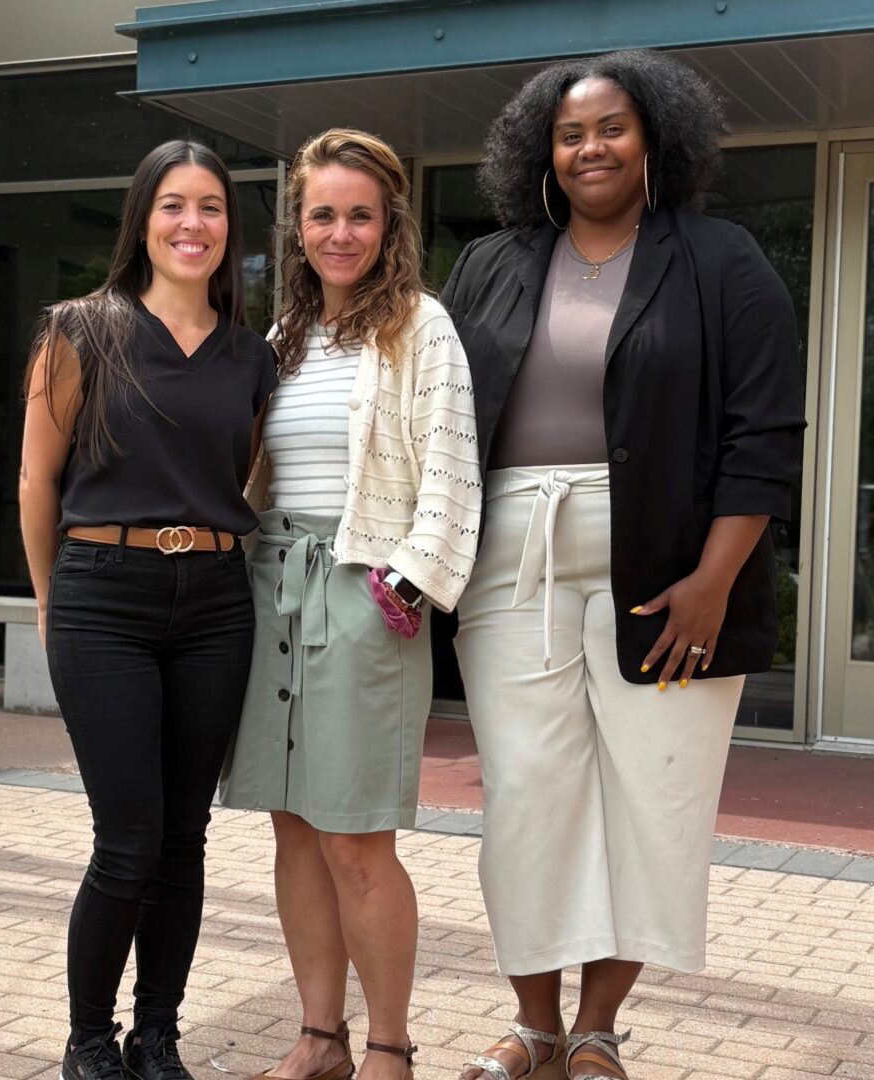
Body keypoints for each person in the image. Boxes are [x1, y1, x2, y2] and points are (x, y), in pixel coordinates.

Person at [440, 51, 804, 1080]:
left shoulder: (722, 259)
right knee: (527, 795)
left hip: (671, 573)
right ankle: (532, 1025)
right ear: (540, 154)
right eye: (569, 133)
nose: (590, 147)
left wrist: (715, 580)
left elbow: (765, 434)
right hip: (512, 569)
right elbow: (442, 417)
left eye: (611, 127)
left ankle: (597, 1029)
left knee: (654, 796)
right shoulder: (493, 264)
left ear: (656, 138)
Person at [220, 129, 480, 1080]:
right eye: (322, 214)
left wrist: (404, 583)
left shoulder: (420, 325)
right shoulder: (280, 339)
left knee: (355, 836)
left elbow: (454, 475)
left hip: (368, 591)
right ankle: (318, 1036)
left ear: (388, 224)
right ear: (298, 224)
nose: (340, 232)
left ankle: (388, 1047)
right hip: (270, 585)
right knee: (292, 823)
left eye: (359, 215)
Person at [18, 139, 280, 1080]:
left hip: (214, 600)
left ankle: (156, 1035)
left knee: (184, 837)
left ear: (229, 230)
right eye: (174, 205)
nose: (192, 224)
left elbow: (244, 471)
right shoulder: (81, 330)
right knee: (126, 835)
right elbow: (36, 480)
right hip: (103, 597)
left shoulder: (256, 355)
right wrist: (53, 602)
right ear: (144, 219)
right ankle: (89, 1043)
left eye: (211, 207)